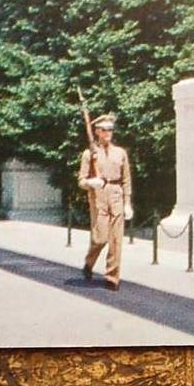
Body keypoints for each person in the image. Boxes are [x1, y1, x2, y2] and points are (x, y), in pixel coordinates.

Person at [77, 113, 133, 291]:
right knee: (100, 238)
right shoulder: (89, 154)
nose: (108, 133)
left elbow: (126, 179)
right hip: (98, 195)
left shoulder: (120, 153)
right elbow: (81, 180)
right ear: (97, 132)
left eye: (111, 129)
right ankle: (89, 262)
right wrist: (90, 183)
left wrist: (127, 203)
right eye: (104, 130)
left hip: (116, 194)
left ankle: (112, 276)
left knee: (116, 239)